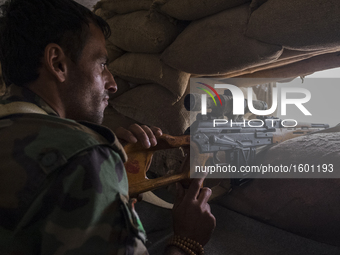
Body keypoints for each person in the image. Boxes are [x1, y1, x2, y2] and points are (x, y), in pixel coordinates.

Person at [0, 0, 216, 254]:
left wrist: (115, 189)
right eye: (102, 65)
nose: (112, 84)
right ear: (57, 63)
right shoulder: (83, 157)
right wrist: (187, 240)